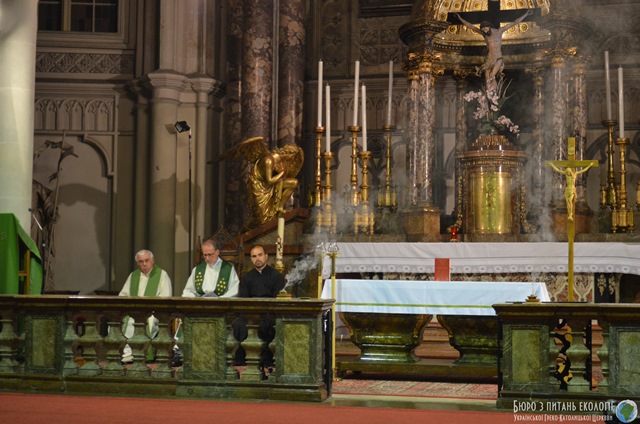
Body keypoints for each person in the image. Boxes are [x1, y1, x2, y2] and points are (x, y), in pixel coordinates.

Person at [233, 245, 286, 377]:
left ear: (266, 256)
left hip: (269, 313)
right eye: (254, 256)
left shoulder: (276, 276)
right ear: (251, 259)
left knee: (268, 324)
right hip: (249, 314)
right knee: (238, 323)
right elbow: (243, 300)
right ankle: (242, 360)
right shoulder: (246, 278)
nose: (257, 259)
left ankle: (267, 361)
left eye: (260, 255)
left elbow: (278, 298)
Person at [455, 9, 533, 89]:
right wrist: (460, 18)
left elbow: (514, 23)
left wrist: (526, 14)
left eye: (485, 29)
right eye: (483, 30)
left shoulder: (499, 31)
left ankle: (494, 94)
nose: (484, 31)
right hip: (489, 59)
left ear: (489, 26)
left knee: (492, 76)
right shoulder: (484, 34)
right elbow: (471, 26)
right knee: (487, 77)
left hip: (498, 58)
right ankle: (489, 94)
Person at [119, 249, 172, 362]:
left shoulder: (161, 275)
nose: (144, 264)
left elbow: (166, 297)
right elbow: (123, 295)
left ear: (152, 260)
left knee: (150, 322)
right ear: (138, 263)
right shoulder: (133, 276)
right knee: (126, 321)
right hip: (134, 311)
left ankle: (142, 352)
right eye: (141, 261)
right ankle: (128, 353)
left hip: (153, 312)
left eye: (147, 260)